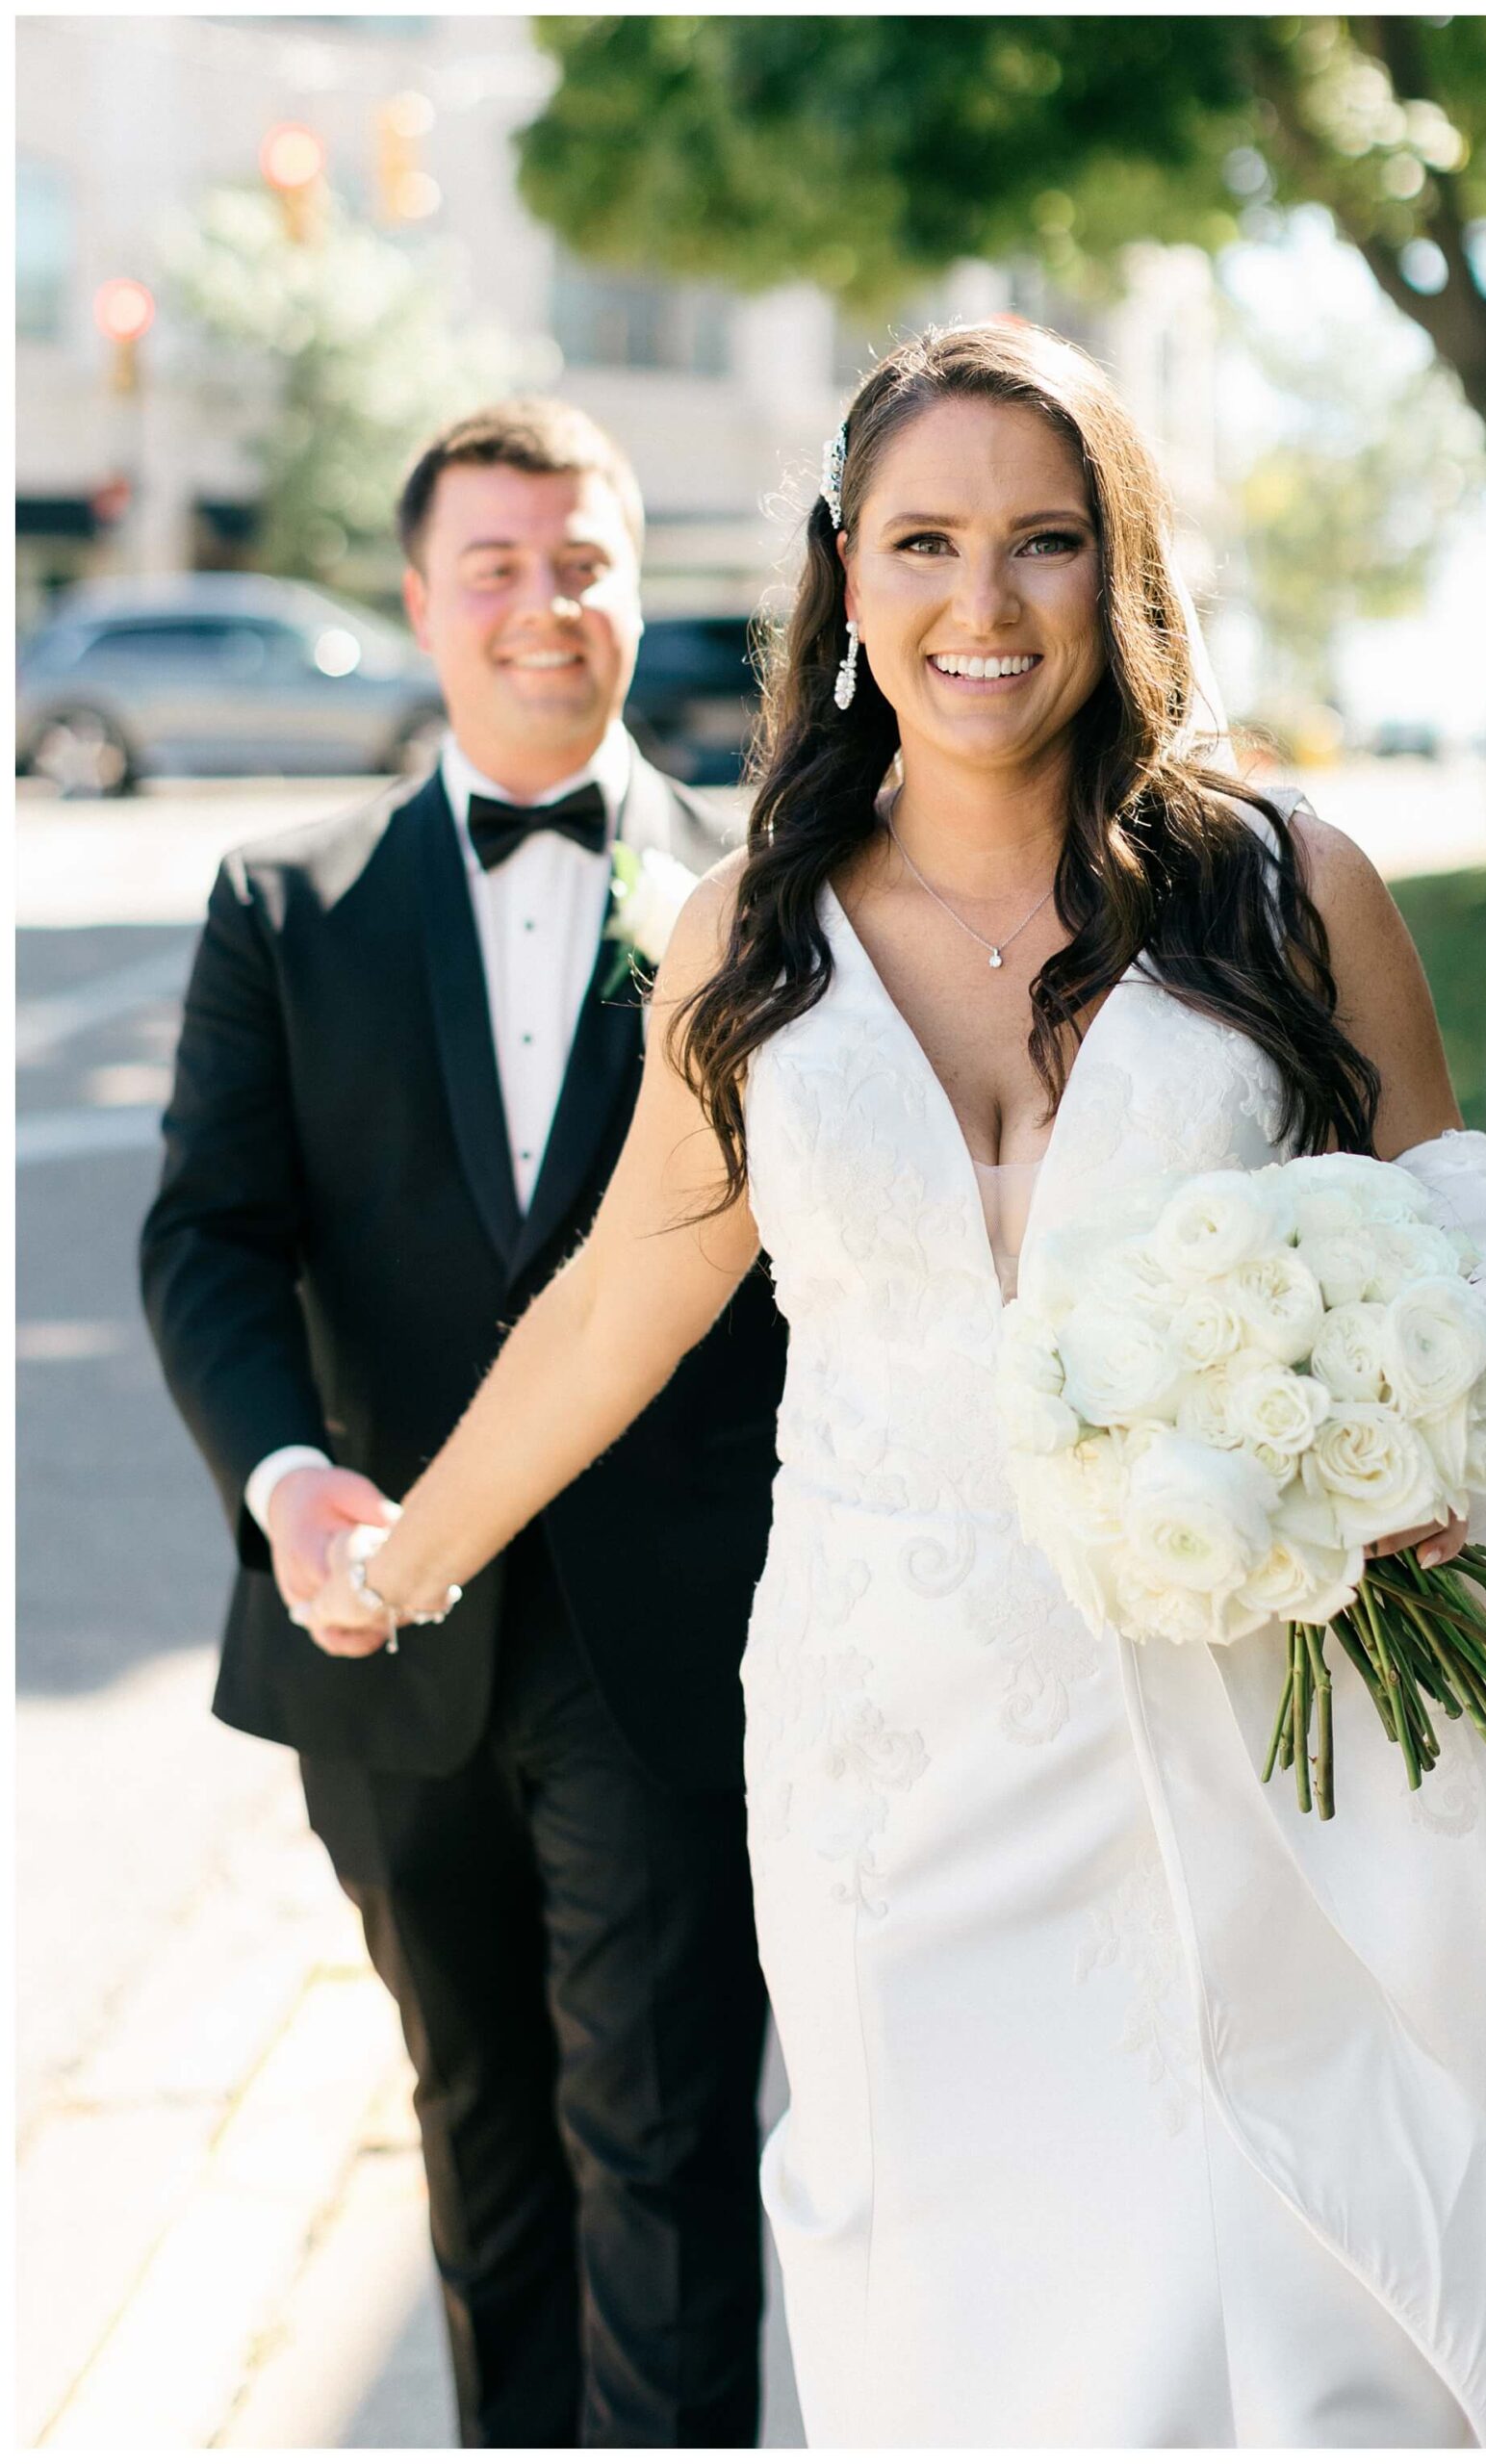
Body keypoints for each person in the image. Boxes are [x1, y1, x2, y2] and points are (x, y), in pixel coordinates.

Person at [300, 327, 1486, 2448]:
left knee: (1265, 2282)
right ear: (845, 575)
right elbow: (610, 1313)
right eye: (923, 542)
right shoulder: (749, 940)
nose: (982, 606)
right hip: (881, 1744)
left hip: (1234, 1705)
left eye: (1043, 541)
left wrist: (1423, 1474)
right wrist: (407, 1547)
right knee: (944, 2290)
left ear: (1121, 573)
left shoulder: (1291, 892)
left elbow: (1448, 1277)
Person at [141, 400, 787, 2449]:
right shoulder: (280, 899)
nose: (541, 602)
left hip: (667, 1632)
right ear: (419, 601)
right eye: (493, 564)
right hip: (378, 1624)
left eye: (579, 559)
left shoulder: (766, 897)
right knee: (480, 2140)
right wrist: (278, 1475)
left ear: (632, 585)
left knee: (668, 2150)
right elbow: (209, 1235)